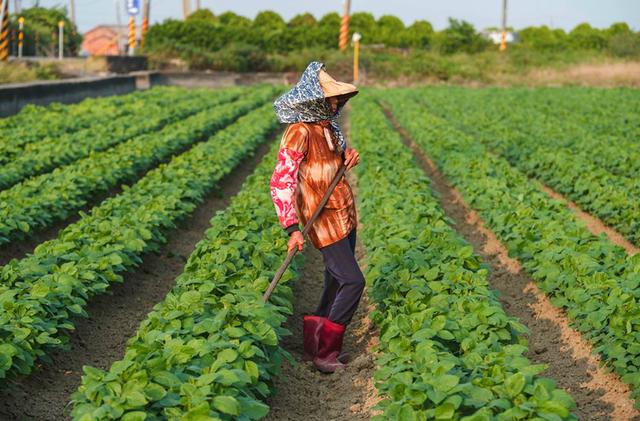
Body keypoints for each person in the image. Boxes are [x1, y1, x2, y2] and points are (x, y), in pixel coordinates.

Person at [270, 61, 364, 373]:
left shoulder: (329, 129)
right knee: (352, 281)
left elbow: (334, 163)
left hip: (344, 212)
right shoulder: (299, 132)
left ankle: (313, 344)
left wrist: (347, 157)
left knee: (336, 280)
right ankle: (326, 353)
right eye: (331, 98)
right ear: (315, 99)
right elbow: (281, 181)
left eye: (337, 99)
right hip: (322, 218)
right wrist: (291, 228)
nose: (336, 103)